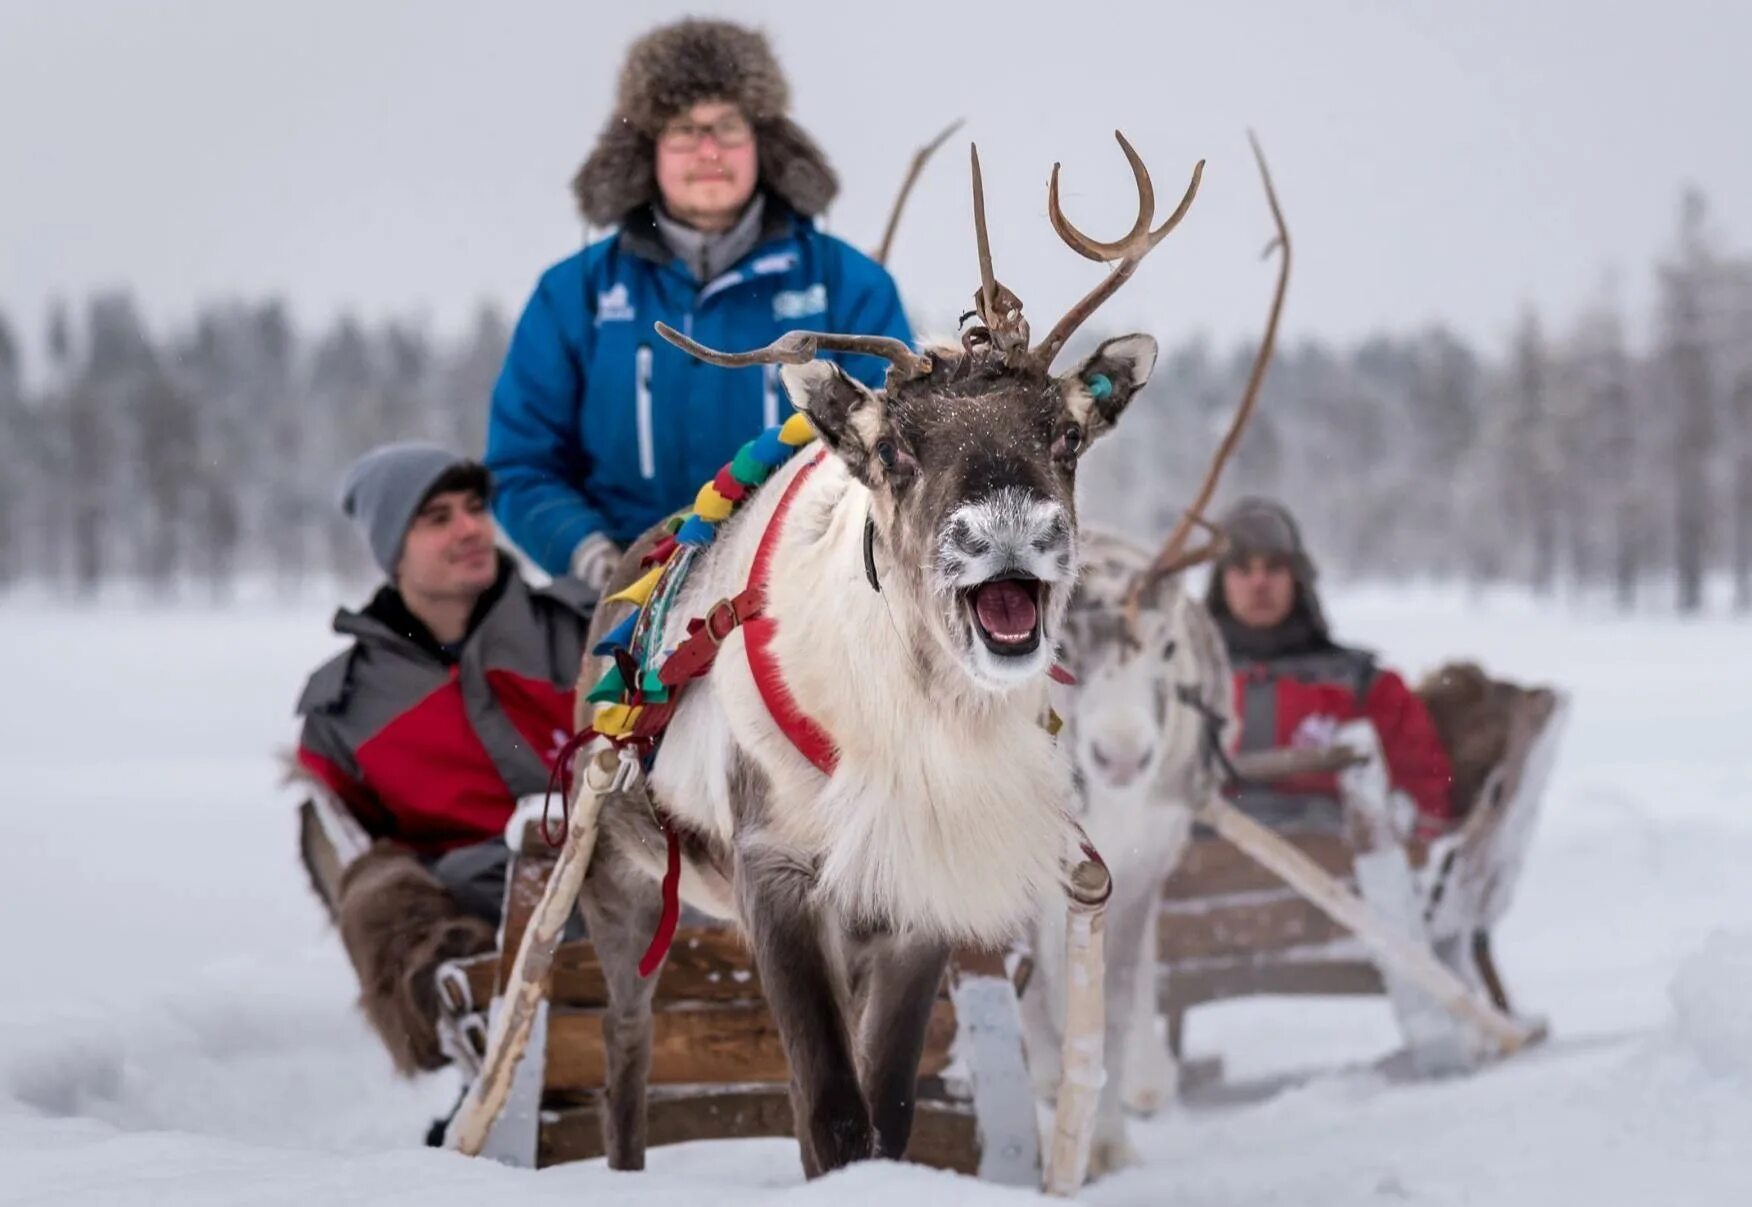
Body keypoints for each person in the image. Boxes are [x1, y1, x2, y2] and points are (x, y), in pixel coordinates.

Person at [485, 17, 914, 589]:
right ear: (646, 150)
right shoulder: (573, 296)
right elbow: (523, 463)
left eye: (728, 128)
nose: (708, 150)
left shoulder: (849, 285)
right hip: (613, 602)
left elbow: (893, 446)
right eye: (684, 130)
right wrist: (594, 557)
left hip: (799, 596)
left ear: (764, 143)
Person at [294, 441, 594, 1072]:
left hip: (634, 889)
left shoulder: (581, 631)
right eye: (437, 518)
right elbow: (343, 853)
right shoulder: (345, 710)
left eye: (475, 509)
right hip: (483, 928)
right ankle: (492, 1071)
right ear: (391, 548)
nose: (469, 530)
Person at [1205, 497, 1455, 839]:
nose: (1259, 583)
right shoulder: (1183, 683)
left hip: (1334, 872)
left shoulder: (1365, 685)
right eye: (1243, 569)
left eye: (1274, 567)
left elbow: (1425, 798)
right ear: (1221, 583)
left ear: (1298, 577)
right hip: (1200, 868)